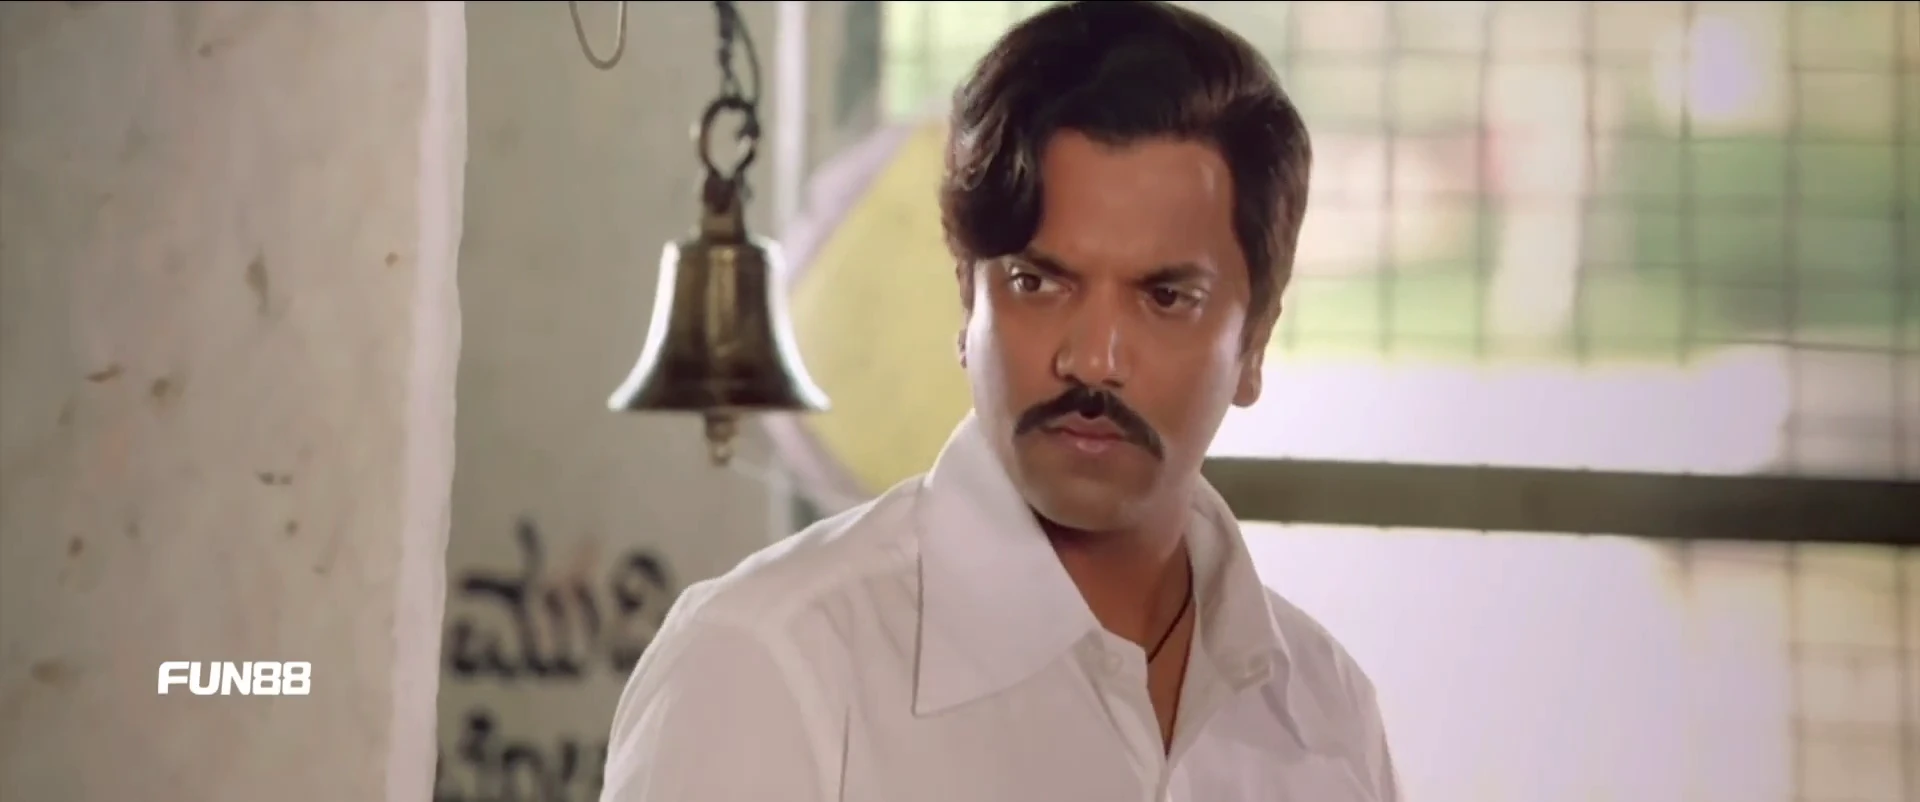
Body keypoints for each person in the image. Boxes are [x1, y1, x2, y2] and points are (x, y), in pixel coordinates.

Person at [599, 2, 1398, 800]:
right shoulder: (770, 664)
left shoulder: (1324, 713)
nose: (1092, 359)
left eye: (1165, 297)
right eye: (1036, 282)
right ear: (967, 301)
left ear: (1254, 344)